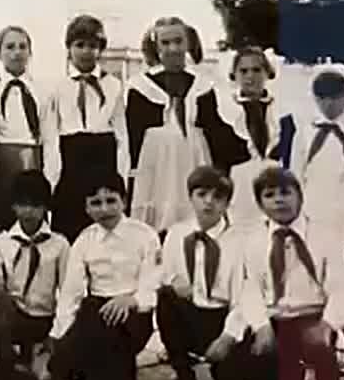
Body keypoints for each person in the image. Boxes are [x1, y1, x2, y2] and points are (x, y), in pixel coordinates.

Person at [238, 166, 344, 380]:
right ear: (260, 204)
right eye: (269, 195)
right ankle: (280, 379)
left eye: (286, 193)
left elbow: (342, 288)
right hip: (275, 319)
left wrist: (327, 324)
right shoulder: (254, 241)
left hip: (313, 318)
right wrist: (261, 326)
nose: (279, 200)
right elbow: (250, 290)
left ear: (300, 197)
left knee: (317, 350)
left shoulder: (324, 236)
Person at [44, 172, 159, 380]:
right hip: (97, 308)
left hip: (134, 311)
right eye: (96, 203)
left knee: (102, 364)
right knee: (86, 333)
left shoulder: (145, 236)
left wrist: (131, 300)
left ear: (124, 201)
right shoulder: (84, 240)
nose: (104, 209)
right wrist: (60, 333)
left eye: (111, 201)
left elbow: (153, 281)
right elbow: (71, 292)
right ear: (86, 208)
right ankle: (91, 374)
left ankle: (97, 376)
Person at [126, 16, 243, 235]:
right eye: (165, 43)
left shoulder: (202, 85)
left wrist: (249, 146)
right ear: (156, 46)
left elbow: (215, 130)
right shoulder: (140, 86)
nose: (173, 49)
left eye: (178, 41)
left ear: (188, 42)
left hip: (193, 156)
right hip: (156, 162)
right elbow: (132, 136)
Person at [157, 166, 255, 380]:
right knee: (165, 297)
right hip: (190, 313)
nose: (208, 202)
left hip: (223, 317)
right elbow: (162, 271)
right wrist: (173, 280)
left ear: (227, 203)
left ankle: (226, 371)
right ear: (191, 197)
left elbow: (245, 296)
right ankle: (184, 371)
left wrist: (228, 336)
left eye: (218, 197)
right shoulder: (177, 234)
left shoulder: (241, 241)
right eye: (202, 195)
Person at [0, 170, 70, 380]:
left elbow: (68, 291)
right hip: (13, 317)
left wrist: (57, 333)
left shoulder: (60, 245)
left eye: (35, 205)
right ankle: (5, 361)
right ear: (13, 206)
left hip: (46, 319)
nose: (28, 211)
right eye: (22, 204)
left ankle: (38, 358)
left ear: (46, 207)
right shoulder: (0, 243)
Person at [42, 15, 128, 241]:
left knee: (103, 230)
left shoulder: (113, 85)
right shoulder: (57, 87)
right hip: (71, 161)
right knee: (69, 228)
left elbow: (122, 137)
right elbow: (51, 137)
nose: (86, 52)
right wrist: (52, 180)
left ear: (101, 49)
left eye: (92, 46)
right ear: (69, 48)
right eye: (80, 45)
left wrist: (120, 177)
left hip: (103, 158)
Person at [280, 66, 344, 248]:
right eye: (322, 98)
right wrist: (294, 212)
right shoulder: (305, 132)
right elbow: (296, 174)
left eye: (335, 98)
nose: (328, 104)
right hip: (312, 202)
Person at [216, 47, 287, 229]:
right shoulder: (225, 112)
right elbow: (218, 164)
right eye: (244, 71)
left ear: (267, 72)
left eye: (256, 70)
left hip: (275, 189)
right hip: (239, 191)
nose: (250, 76)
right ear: (234, 75)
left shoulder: (281, 112)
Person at [0, 26, 49, 234]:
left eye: (22, 47)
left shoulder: (41, 89)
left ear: (30, 52)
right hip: (1, 159)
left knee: (32, 215)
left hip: (34, 157)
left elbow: (47, 132)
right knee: (4, 217)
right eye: (10, 47)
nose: (17, 52)